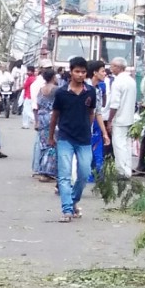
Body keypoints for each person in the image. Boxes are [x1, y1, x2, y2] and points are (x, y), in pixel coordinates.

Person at [47, 56, 107, 221]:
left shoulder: (91, 92)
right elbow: (55, 116)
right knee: (65, 175)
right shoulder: (61, 93)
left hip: (84, 139)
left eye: (83, 72)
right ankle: (67, 209)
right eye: (77, 71)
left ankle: (73, 201)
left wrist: (90, 130)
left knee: (84, 173)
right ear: (71, 72)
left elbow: (91, 113)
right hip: (65, 138)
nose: (80, 75)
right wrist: (51, 136)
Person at [104, 59, 139, 178]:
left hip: (119, 118)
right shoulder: (131, 80)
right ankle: (127, 170)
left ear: (118, 67)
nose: (111, 68)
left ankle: (122, 171)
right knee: (127, 145)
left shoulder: (118, 82)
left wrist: (110, 120)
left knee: (119, 145)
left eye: (112, 66)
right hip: (129, 117)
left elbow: (114, 104)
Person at [30, 66, 58, 180]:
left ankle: (41, 168)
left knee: (43, 144)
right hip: (52, 118)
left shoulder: (41, 90)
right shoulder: (56, 90)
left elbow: (36, 107)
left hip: (41, 118)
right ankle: (47, 172)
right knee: (52, 143)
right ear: (53, 77)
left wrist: (36, 121)